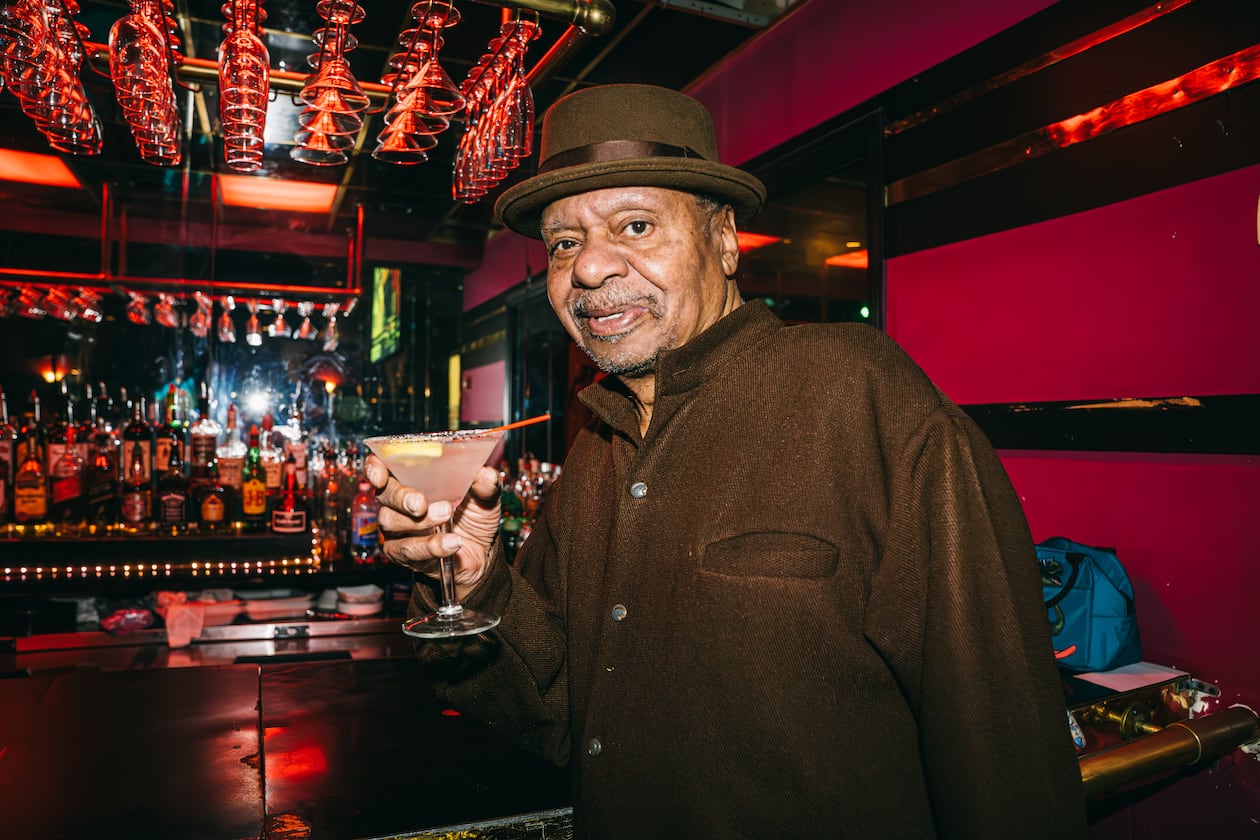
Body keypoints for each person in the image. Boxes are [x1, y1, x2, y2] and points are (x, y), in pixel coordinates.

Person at [368, 84, 1087, 839]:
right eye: (564, 243)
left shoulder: (859, 393)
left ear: (725, 240)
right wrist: (477, 583)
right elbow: (552, 712)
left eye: (635, 225)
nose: (588, 270)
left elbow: (1002, 740)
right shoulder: (595, 451)